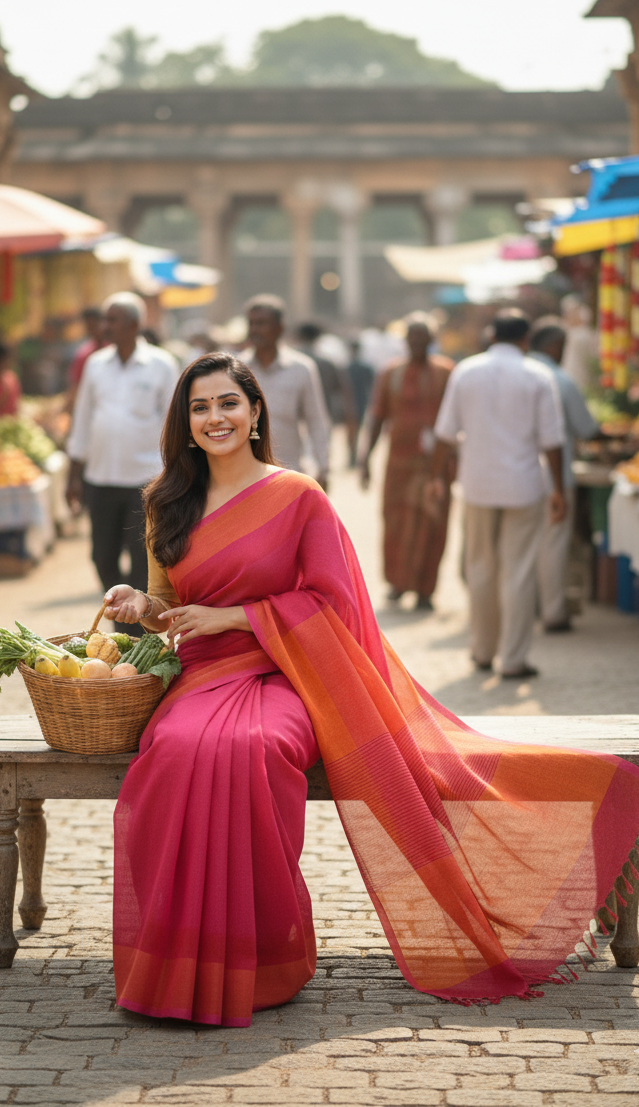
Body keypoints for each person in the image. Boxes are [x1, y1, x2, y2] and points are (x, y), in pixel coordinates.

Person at [100, 350, 639, 1028]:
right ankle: (175, 957)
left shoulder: (299, 496)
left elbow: (334, 604)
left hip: (289, 674)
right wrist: (140, 604)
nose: (215, 418)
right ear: (184, 422)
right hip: (205, 676)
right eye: (199, 407)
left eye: (228, 403)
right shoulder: (166, 501)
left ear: (255, 410)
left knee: (255, 748)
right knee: (176, 749)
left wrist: (238, 617)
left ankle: (263, 958)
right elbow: (168, 608)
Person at [429, 311, 566, 679]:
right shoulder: (538, 375)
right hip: (524, 485)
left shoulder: (466, 372)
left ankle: (482, 650)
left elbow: (445, 433)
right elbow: (552, 441)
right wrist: (559, 489)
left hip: (477, 485)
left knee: (480, 567)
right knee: (518, 571)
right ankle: (514, 659)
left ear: (491, 336)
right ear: (526, 340)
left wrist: (436, 477)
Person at [66, 292, 177, 607]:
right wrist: (73, 476)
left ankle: (135, 626)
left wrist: (176, 476)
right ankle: (120, 613)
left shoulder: (161, 365)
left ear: (133, 325)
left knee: (143, 560)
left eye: (112, 320)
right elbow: (83, 419)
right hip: (100, 478)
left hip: (146, 481)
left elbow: (174, 424)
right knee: (102, 556)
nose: (105, 326)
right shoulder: (95, 364)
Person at [360, 316, 454, 610]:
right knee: (395, 522)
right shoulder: (391, 373)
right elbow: (377, 415)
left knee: (433, 523)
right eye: (412, 338)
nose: (417, 343)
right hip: (399, 464)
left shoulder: (446, 372)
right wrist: (365, 458)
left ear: (431, 340)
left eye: (422, 338)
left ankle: (425, 590)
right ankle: (397, 583)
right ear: (405, 341)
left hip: (436, 465)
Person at [530, 318, 599, 632]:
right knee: (554, 545)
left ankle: (527, 610)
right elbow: (585, 428)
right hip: (553, 478)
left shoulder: (518, 373)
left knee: (524, 547)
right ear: (554, 346)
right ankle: (553, 612)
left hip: (520, 478)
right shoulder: (559, 379)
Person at [240, 294, 330, 487]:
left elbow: (316, 421)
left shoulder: (301, 368)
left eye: (261, 323)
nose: (254, 330)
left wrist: (323, 467)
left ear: (279, 328)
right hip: (244, 477)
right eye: (251, 323)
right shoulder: (237, 369)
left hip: (289, 475)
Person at [65, 306, 107, 413]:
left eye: (94, 325)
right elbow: (75, 385)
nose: (92, 330)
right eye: (89, 326)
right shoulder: (84, 354)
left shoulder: (114, 349)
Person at [345, 338, 376, 466]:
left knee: (352, 431)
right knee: (357, 431)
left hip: (351, 403)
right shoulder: (365, 367)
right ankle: (354, 457)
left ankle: (353, 457)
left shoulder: (346, 367)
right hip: (361, 401)